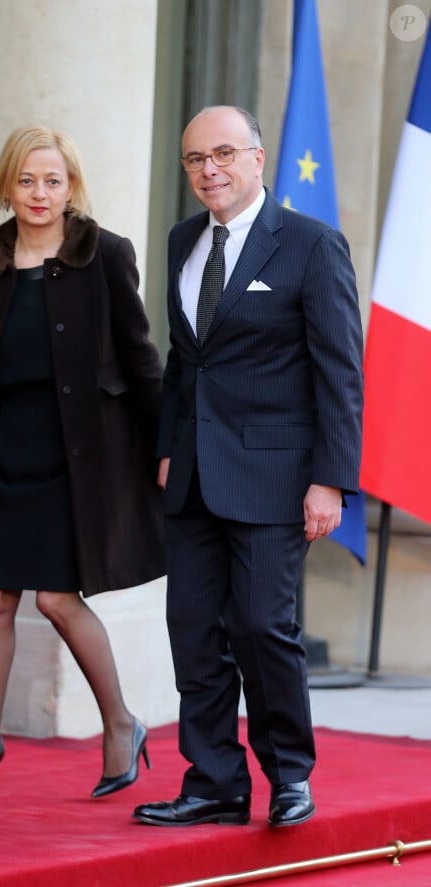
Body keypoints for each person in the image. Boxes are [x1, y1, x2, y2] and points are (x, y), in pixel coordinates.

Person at [133, 106, 363, 828]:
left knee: (265, 629)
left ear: (258, 159)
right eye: (196, 158)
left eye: (224, 153)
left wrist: (331, 479)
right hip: (194, 477)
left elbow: (340, 373)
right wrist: (169, 447)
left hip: (274, 478)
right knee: (194, 630)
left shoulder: (311, 244)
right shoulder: (181, 242)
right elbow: (183, 361)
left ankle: (288, 776)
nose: (210, 169)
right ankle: (213, 781)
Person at [0, 125, 165, 799]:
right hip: (2, 450)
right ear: (7, 185)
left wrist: (167, 445)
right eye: (27, 180)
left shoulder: (106, 255)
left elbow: (142, 359)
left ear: (72, 187)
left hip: (74, 456)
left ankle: (120, 722)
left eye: (53, 180)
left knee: (59, 597)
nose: (40, 193)